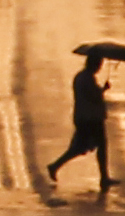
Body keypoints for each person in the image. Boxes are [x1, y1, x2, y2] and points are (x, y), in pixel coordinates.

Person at [48, 54, 114, 193]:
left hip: (84, 116)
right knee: (96, 146)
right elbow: (93, 96)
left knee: (80, 147)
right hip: (90, 118)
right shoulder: (87, 79)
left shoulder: (81, 77)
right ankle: (104, 177)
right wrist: (103, 89)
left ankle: (56, 166)